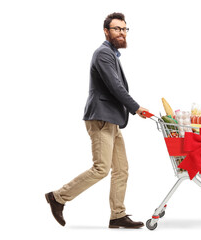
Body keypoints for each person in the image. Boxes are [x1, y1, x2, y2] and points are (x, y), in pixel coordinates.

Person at [45, 12, 148, 229]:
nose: (121, 33)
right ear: (106, 31)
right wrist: (136, 108)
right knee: (101, 168)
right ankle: (58, 197)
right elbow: (115, 87)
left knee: (122, 169)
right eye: (117, 29)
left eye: (124, 29)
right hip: (101, 118)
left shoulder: (111, 54)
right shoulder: (103, 53)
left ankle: (117, 215)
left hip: (112, 120)